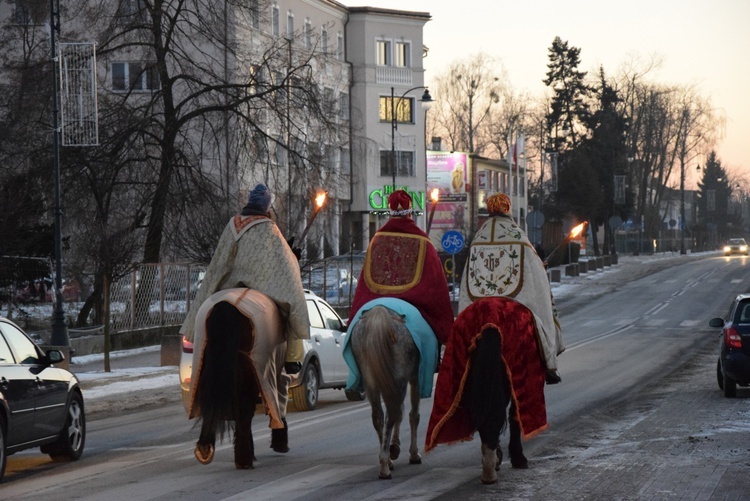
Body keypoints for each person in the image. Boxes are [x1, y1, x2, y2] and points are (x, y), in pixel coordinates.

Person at [179, 183, 309, 374]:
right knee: (294, 301)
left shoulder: (232, 225)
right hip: (262, 285)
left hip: (229, 283)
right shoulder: (269, 229)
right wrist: (292, 259)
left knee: (205, 301)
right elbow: (283, 266)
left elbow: (220, 261)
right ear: (266, 206)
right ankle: (293, 359)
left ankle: (195, 340)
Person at [457, 192, 564, 383]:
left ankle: (456, 370)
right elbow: (537, 283)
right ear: (508, 211)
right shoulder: (519, 238)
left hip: (480, 302)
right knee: (538, 316)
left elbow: (468, 280)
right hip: (514, 302)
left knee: (461, 335)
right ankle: (549, 362)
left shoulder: (478, 239)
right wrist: (540, 267)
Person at [348, 189, 454, 345]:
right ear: (409, 213)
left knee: (354, 333)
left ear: (390, 212)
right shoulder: (423, 241)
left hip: (377, 299)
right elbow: (435, 283)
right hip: (413, 302)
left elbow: (365, 282)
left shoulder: (377, 239)